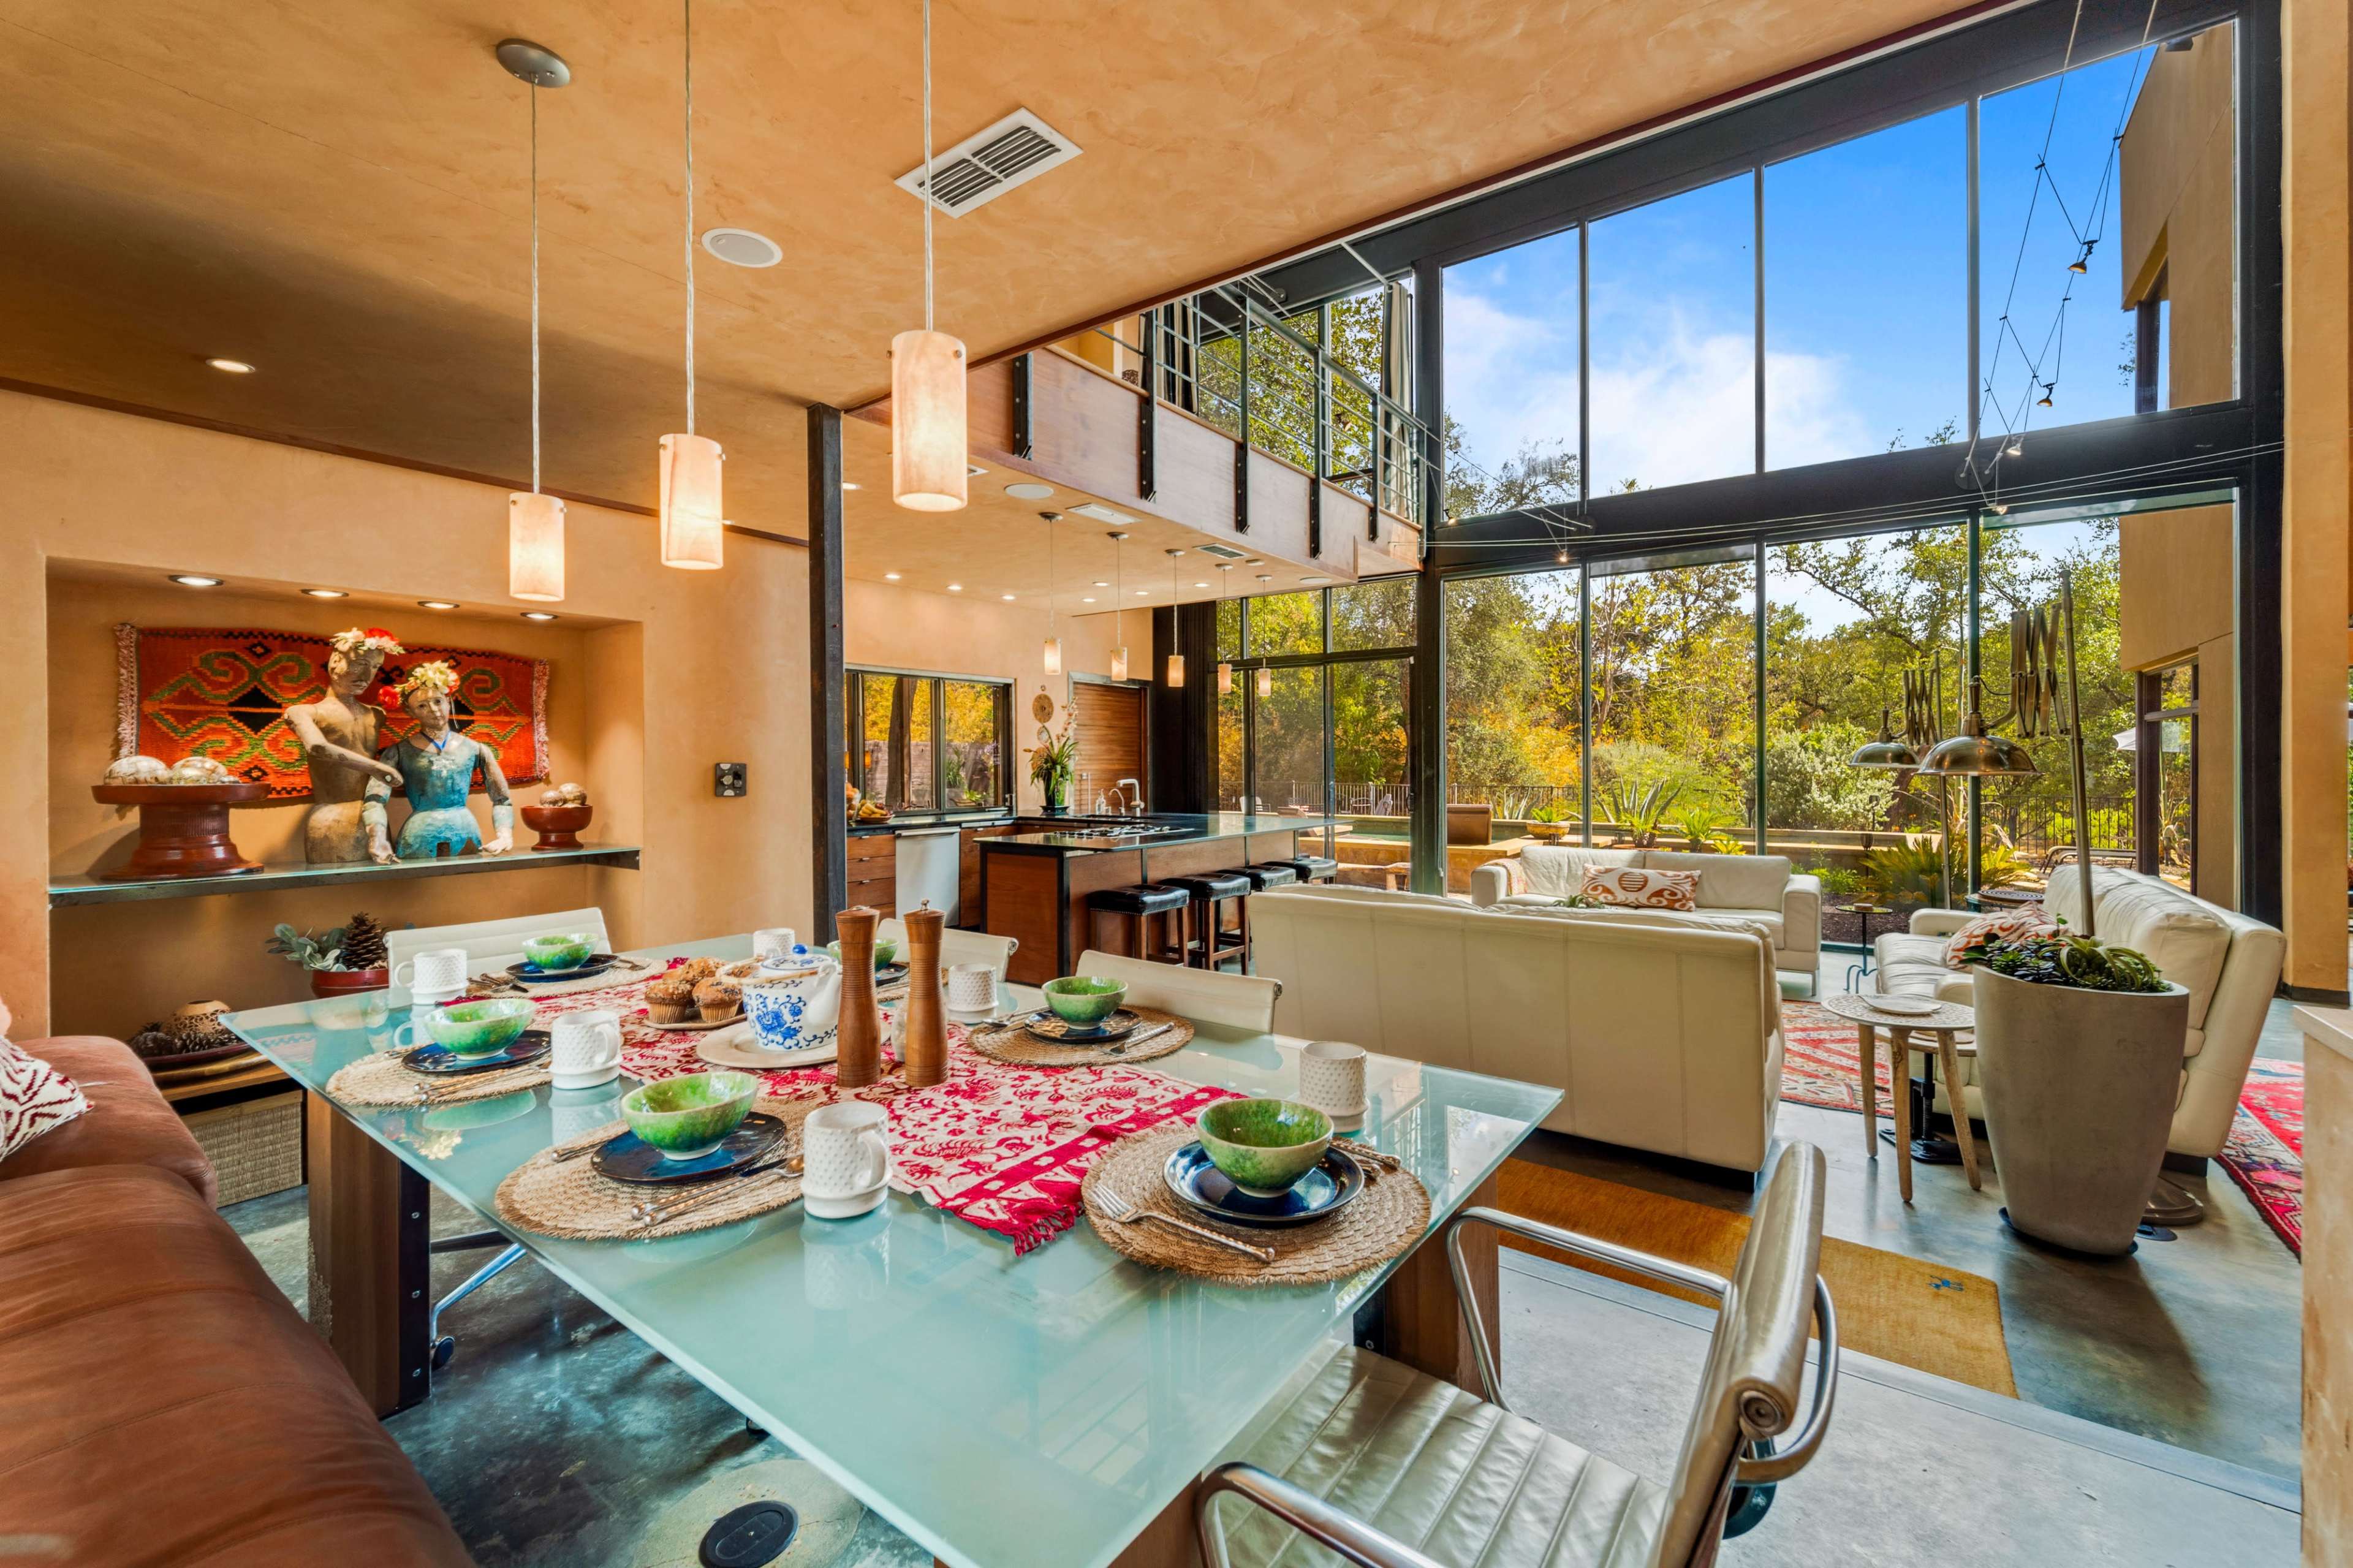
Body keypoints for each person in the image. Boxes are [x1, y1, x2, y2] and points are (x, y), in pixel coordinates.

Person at [284, 626, 405, 864]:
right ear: (335, 662)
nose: (368, 675)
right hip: (330, 818)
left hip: (373, 819)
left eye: (375, 667)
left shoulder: (376, 715)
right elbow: (317, 747)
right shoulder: (304, 712)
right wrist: (376, 768)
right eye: (360, 664)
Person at [372, 660, 514, 859]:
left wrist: (505, 835)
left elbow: (502, 799)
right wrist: (377, 841)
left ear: (449, 701)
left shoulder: (477, 750)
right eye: (422, 706)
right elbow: (375, 801)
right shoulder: (398, 752)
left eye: (438, 701)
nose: (433, 710)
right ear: (410, 712)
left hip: (466, 836)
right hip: (419, 838)